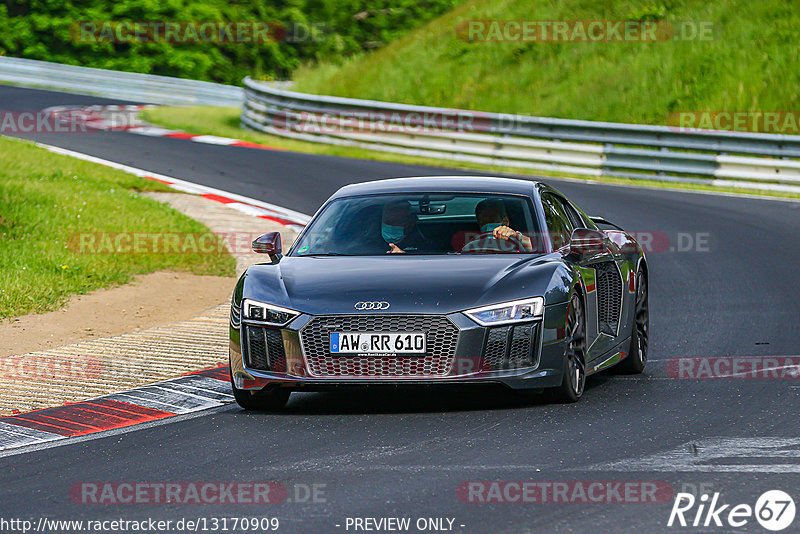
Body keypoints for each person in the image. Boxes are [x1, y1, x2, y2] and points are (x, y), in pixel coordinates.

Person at [462, 198, 534, 253]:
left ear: (505, 221)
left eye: (492, 219)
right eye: (483, 222)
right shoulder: (472, 245)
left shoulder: (516, 242)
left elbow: (537, 248)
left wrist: (517, 236)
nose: (487, 224)